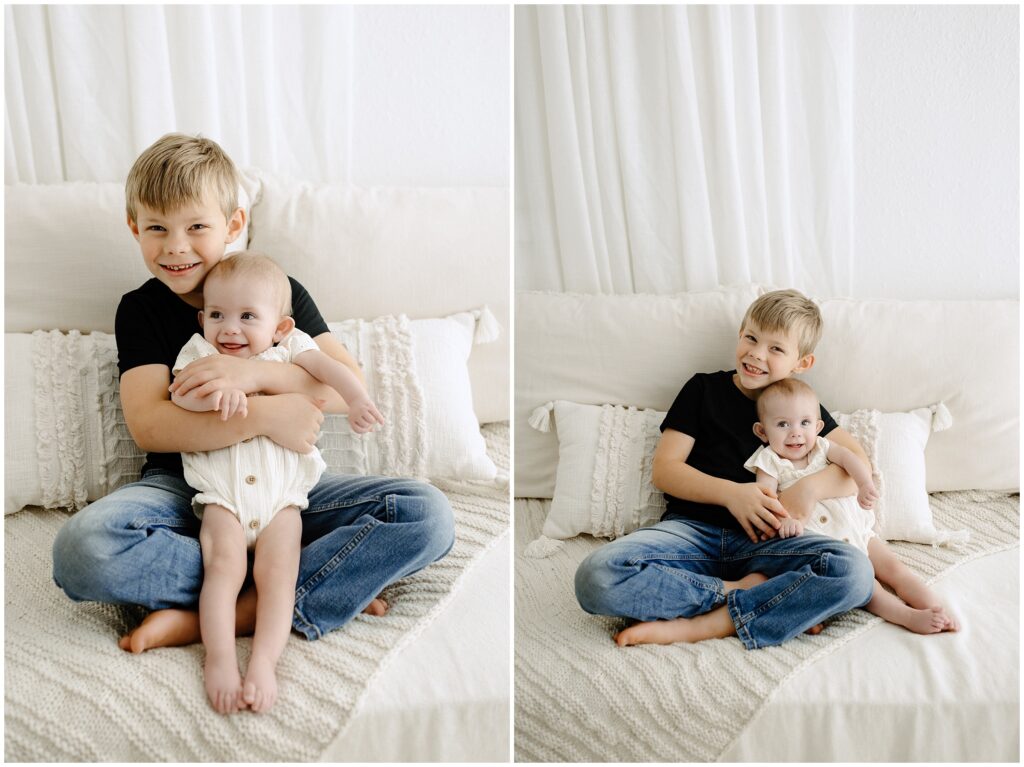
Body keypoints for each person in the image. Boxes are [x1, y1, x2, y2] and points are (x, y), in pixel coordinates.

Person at [51, 133, 455, 707]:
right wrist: (269, 417)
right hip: (187, 486)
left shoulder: (276, 290)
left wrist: (256, 380)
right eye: (158, 228)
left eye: (196, 227)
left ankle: (222, 614)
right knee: (83, 549)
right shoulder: (140, 308)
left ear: (234, 222)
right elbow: (151, 425)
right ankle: (299, 589)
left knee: (426, 515)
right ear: (134, 227)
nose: (177, 247)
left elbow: (347, 387)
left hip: (286, 484)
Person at [574, 289, 876, 649]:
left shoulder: (800, 407)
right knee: (596, 577)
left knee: (855, 573)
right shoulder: (703, 389)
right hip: (692, 534)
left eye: (776, 348)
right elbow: (666, 470)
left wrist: (808, 489)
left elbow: (858, 463)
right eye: (751, 337)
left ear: (801, 363)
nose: (756, 354)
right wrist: (732, 494)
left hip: (768, 543)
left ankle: (714, 622)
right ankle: (747, 594)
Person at [171, 251, 383, 713]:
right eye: (218, 315)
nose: (230, 328)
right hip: (222, 498)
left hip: (283, 502)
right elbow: (179, 397)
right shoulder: (199, 353)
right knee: (223, 569)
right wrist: (213, 399)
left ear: (280, 327)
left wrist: (358, 399)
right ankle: (221, 658)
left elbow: (331, 372)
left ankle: (264, 661)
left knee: (278, 576)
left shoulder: (294, 348)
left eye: (248, 316)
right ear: (202, 317)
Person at [747, 377, 958, 635]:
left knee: (895, 569)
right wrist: (786, 520)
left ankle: (938, 609)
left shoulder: (822, 447)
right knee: (870, 588)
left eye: (805, 423)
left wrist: (865, 484)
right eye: (782, 424)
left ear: (818, 426)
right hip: (824, 545)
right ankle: (907, 616)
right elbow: (766, 500)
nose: (796, 432)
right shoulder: (768, 461)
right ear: (762, 431)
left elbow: (850, 459)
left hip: (858, 531)